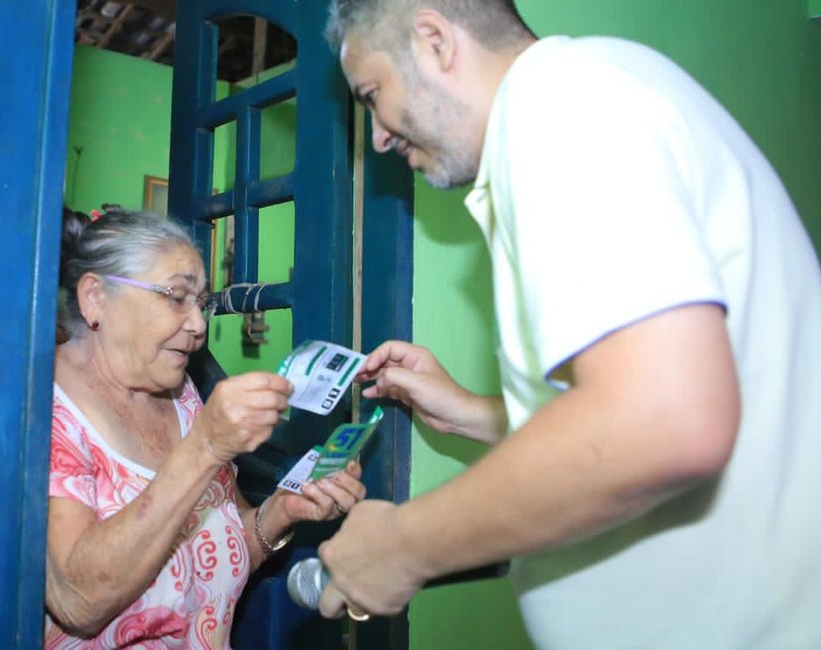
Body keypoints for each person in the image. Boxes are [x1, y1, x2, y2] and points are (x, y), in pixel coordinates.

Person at [317, 1, 821, 648]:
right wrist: (475, 413)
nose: (379, 135)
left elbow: (662, 421)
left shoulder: (561, 105)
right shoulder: (590, 90)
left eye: (372, 93)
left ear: (435, 41)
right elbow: (648, 398)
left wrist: (403, 547)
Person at [44, 207, 366, 649]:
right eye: (176, 296)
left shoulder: (183, 398)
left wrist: (283, 510)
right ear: (95, 298)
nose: (198, 325)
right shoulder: (43, 411)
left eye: (201, 303)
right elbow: (78, 602)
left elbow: (228, 550)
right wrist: (204, 448)